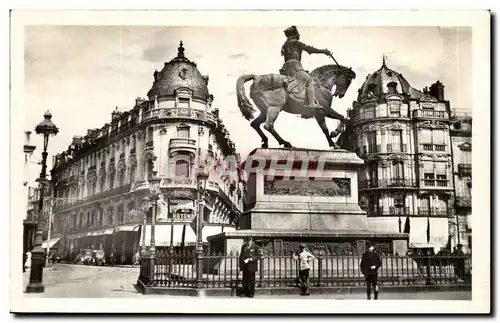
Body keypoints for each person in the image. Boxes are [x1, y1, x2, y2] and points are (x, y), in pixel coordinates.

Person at [279, 26, 333, 118]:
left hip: (286, 68)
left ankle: (305, 109)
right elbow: (309, 49)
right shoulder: (295, 42)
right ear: (294, 34)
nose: (299, 34)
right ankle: (311, 104)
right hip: (295, 66)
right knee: (310, 81)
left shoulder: (285, 44)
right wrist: (324, 51)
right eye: (297, 33)